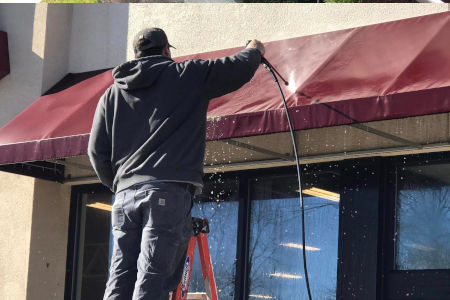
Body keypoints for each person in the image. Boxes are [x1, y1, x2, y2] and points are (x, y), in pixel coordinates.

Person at [88, 27, 265, 300]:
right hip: (166, 194)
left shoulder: (111, 95)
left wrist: (121, 184)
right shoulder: (185, 75)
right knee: (152, 278)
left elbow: (96, 152)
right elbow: (235, 68)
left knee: (121, 276)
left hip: (124, 197)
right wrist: (254, 50)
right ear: (166, 51)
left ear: (135, 56)